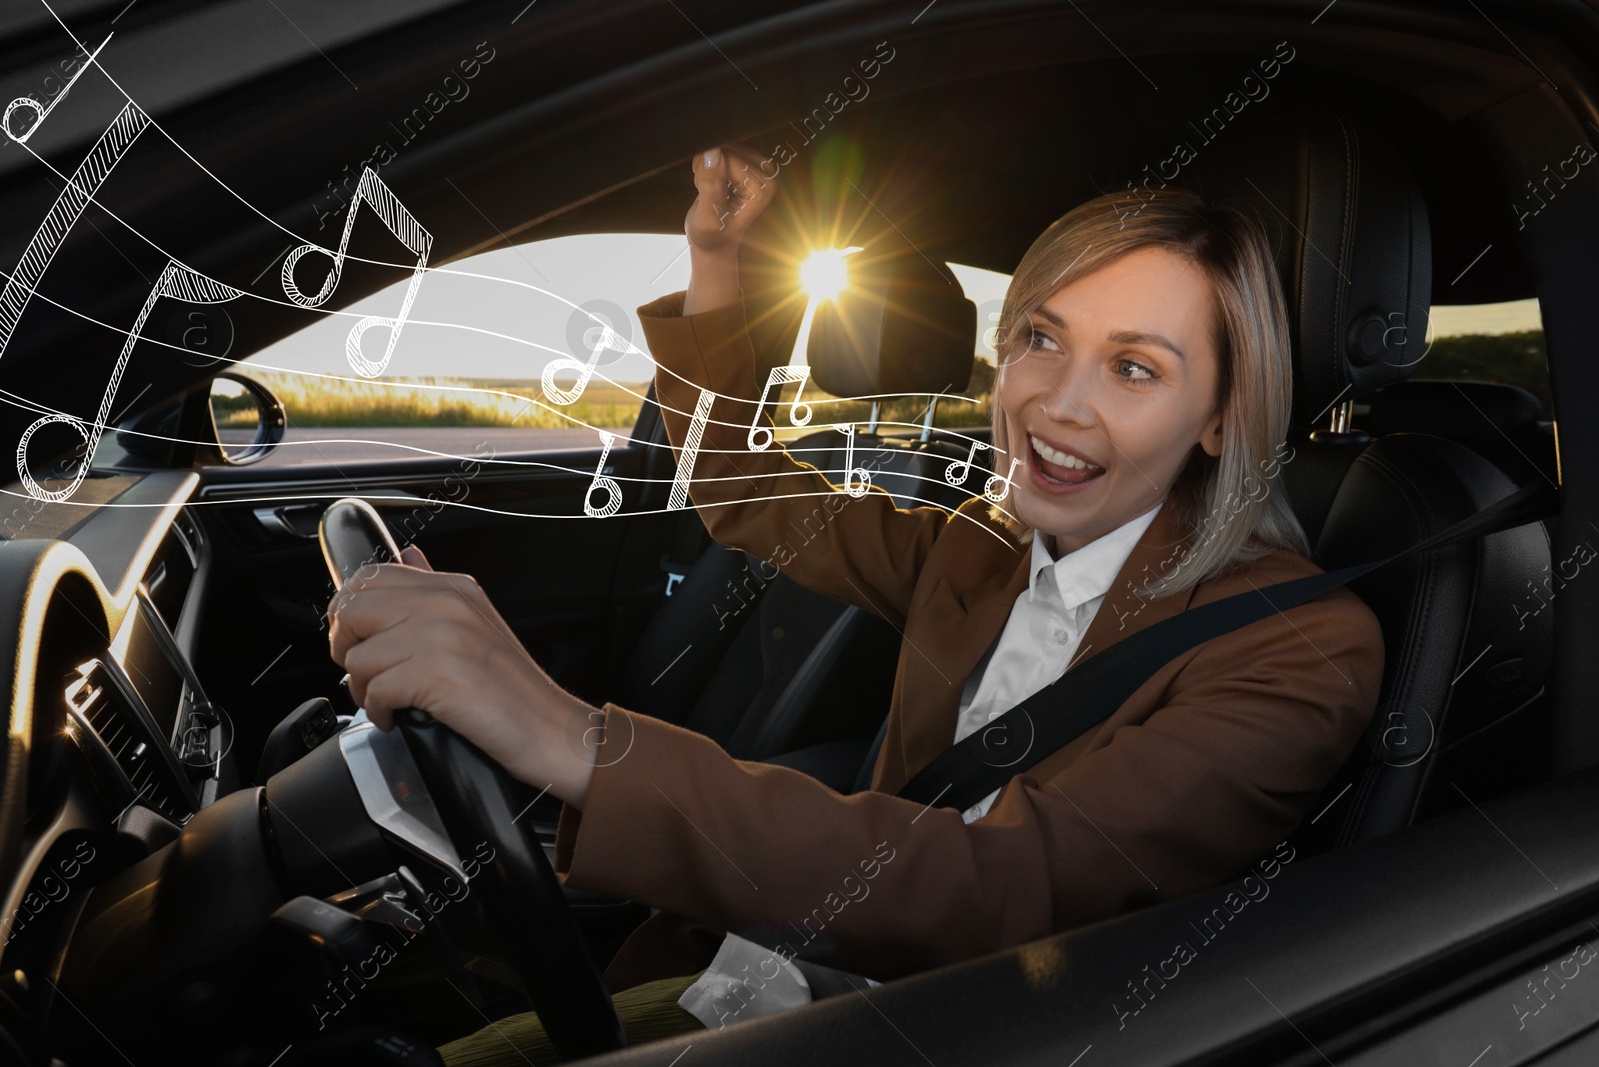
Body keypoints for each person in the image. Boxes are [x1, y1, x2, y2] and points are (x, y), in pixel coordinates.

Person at [327, 144, 1385, 1064]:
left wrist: (570, 733)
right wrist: (715, 261)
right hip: (778, 965)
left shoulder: (1297, 649)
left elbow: (1009, 891)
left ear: (1218, 416)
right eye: (1040, 339)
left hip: (955, 1029)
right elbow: (747, 489)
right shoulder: (978, 542)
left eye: (1135, 368)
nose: (1056, 403)